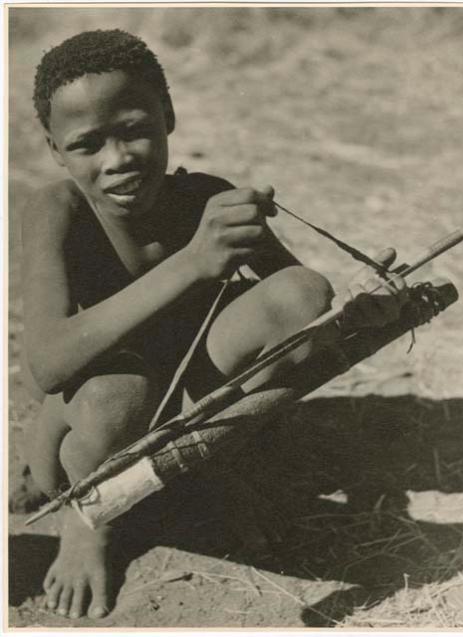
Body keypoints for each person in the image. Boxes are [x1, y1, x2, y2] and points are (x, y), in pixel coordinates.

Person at [20, 29, 407, 619]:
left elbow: (304, 321)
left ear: (167, 115)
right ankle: (89, 521)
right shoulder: (57, 212)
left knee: (301, 293)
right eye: (87, 144)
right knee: (117, 397)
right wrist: (191, 263)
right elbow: (47, 365)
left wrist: (362, 312)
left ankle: (214, 471)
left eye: (133, 129)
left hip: (186, 406)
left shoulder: (209, 200)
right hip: (85, 437)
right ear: (55, 149)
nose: (117, 159)